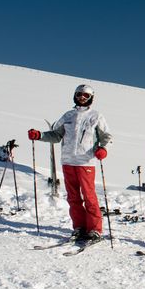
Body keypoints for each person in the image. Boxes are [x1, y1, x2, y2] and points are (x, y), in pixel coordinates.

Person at [27, 84, 112, 243]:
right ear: (75, 95)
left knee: (89, 196)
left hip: (86, 162)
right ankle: (79, 227)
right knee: (73, 197)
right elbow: (56, 135)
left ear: (91, 98)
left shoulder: (96, 116)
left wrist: (103, 149)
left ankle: (94, 229)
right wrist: (39, 135)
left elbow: (106, 137)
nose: (82, 97)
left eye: (86, 95)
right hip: (68, 161)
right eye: (79, 94)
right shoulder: (68, 116)